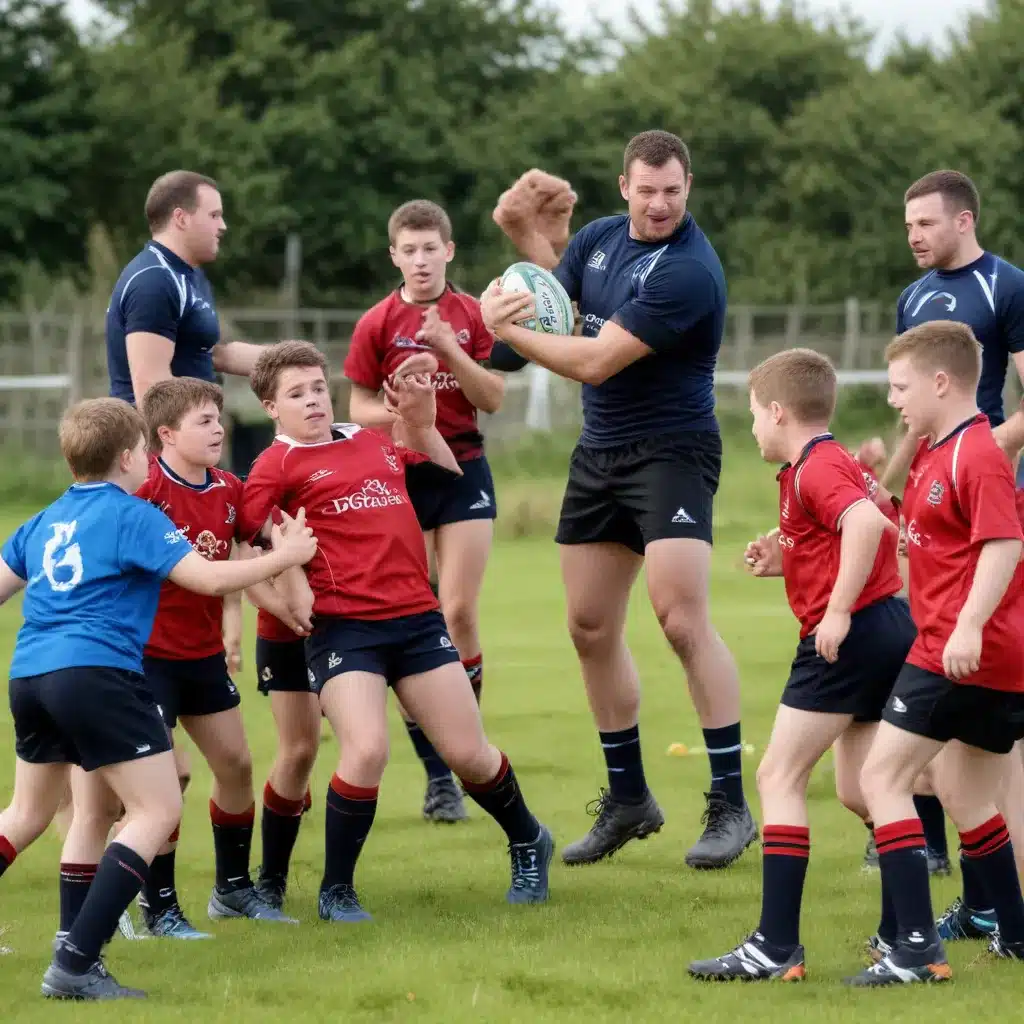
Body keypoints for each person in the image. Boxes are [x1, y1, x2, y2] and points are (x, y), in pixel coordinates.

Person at [485, 130, 755, 869]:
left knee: (680, 618)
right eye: (647, 190)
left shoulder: (691, 271)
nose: (661, 203)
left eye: (673, 190)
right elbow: (558, 315)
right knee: (588, 624)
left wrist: (501, 325)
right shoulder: (600, 240)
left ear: (687, 187)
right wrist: (512, 270)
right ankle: (629, 798)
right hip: (600, 455)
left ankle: (731, 805)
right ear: (623, 187)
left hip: (673, 451)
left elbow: (596, 361)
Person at [0, 397, 316, 1000]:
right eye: (145, 449)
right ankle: (76, 964)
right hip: (95, 676)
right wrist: (288, 556)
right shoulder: (133, 515)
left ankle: (75, 948)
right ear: (127, 457)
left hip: (30, 676)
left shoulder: (43, 520)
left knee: (26, 814)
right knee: (156, 811)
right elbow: (209, 578)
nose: (149, 459)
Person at [239, 341, 553, 921]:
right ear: (270, 407)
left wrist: (422, 420)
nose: (311, 401)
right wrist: (289, 592)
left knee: (468, 754)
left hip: (415, 617)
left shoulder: (364, 438)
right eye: (295, 394)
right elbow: (248, 543)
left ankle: (530, 840)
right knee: (366, 750)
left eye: (316, 388)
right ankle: (336, 892)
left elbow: (443, 467)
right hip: (344, 629)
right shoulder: (273, 467)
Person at [687, 349, 914, 981]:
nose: (753, 426)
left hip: (850, 634)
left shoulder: (815, 468)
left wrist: (837, 611)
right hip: (886, 630)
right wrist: (783, 558)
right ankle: (903, 934)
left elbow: (868, 524)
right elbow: (861, 528)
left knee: (778, 777)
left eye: (756, 414)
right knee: (864, 789)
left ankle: (775, 946)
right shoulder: (822, 465)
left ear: (779, 411)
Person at [847, 321, 1024, 986]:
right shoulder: (934, 450)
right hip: (980, 652)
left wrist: (969, 626)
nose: (893, 399)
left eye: (901, 386)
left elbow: (1004, 545)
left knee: (881, 780)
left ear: (941, 383)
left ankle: (915, 951)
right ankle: (1015, 933)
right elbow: (926, 536)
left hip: (955, 648)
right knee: (961, 792)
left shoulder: (973, 454)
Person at [873, 169, 1024, 897]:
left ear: (963, 222)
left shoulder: (1006, 287)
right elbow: (915, 405)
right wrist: (895, 480)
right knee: (949, 691)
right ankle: (968, 883)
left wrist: (982, 451)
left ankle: (1000, 891)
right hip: (936, 494)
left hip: (986, 498)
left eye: (925, 224)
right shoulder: (913, 297)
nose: (914, 236)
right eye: (908, 226)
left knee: (988, 702)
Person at [344, 199, 504, 824]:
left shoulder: (469, 315)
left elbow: (492, 395)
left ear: (449, 251)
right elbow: (355, 406)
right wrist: (407, 415)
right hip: (399, 476)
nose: (419, 259)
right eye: (407, 250)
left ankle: (469, 748)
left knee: (458, 609)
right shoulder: (377, 322)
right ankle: (442, 778)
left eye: (429, 248)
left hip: (461, 468)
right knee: (416, 618)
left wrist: (449, 349)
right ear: (394, 256)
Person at [105, 170, 264, 406]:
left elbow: (211, 354)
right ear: (181, 218)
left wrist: (291, 360)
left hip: (192, 435)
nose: (223, 226)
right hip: (158, 440)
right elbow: (151, 391)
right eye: (214, 215)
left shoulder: (190, 274)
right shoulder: (154, 280)